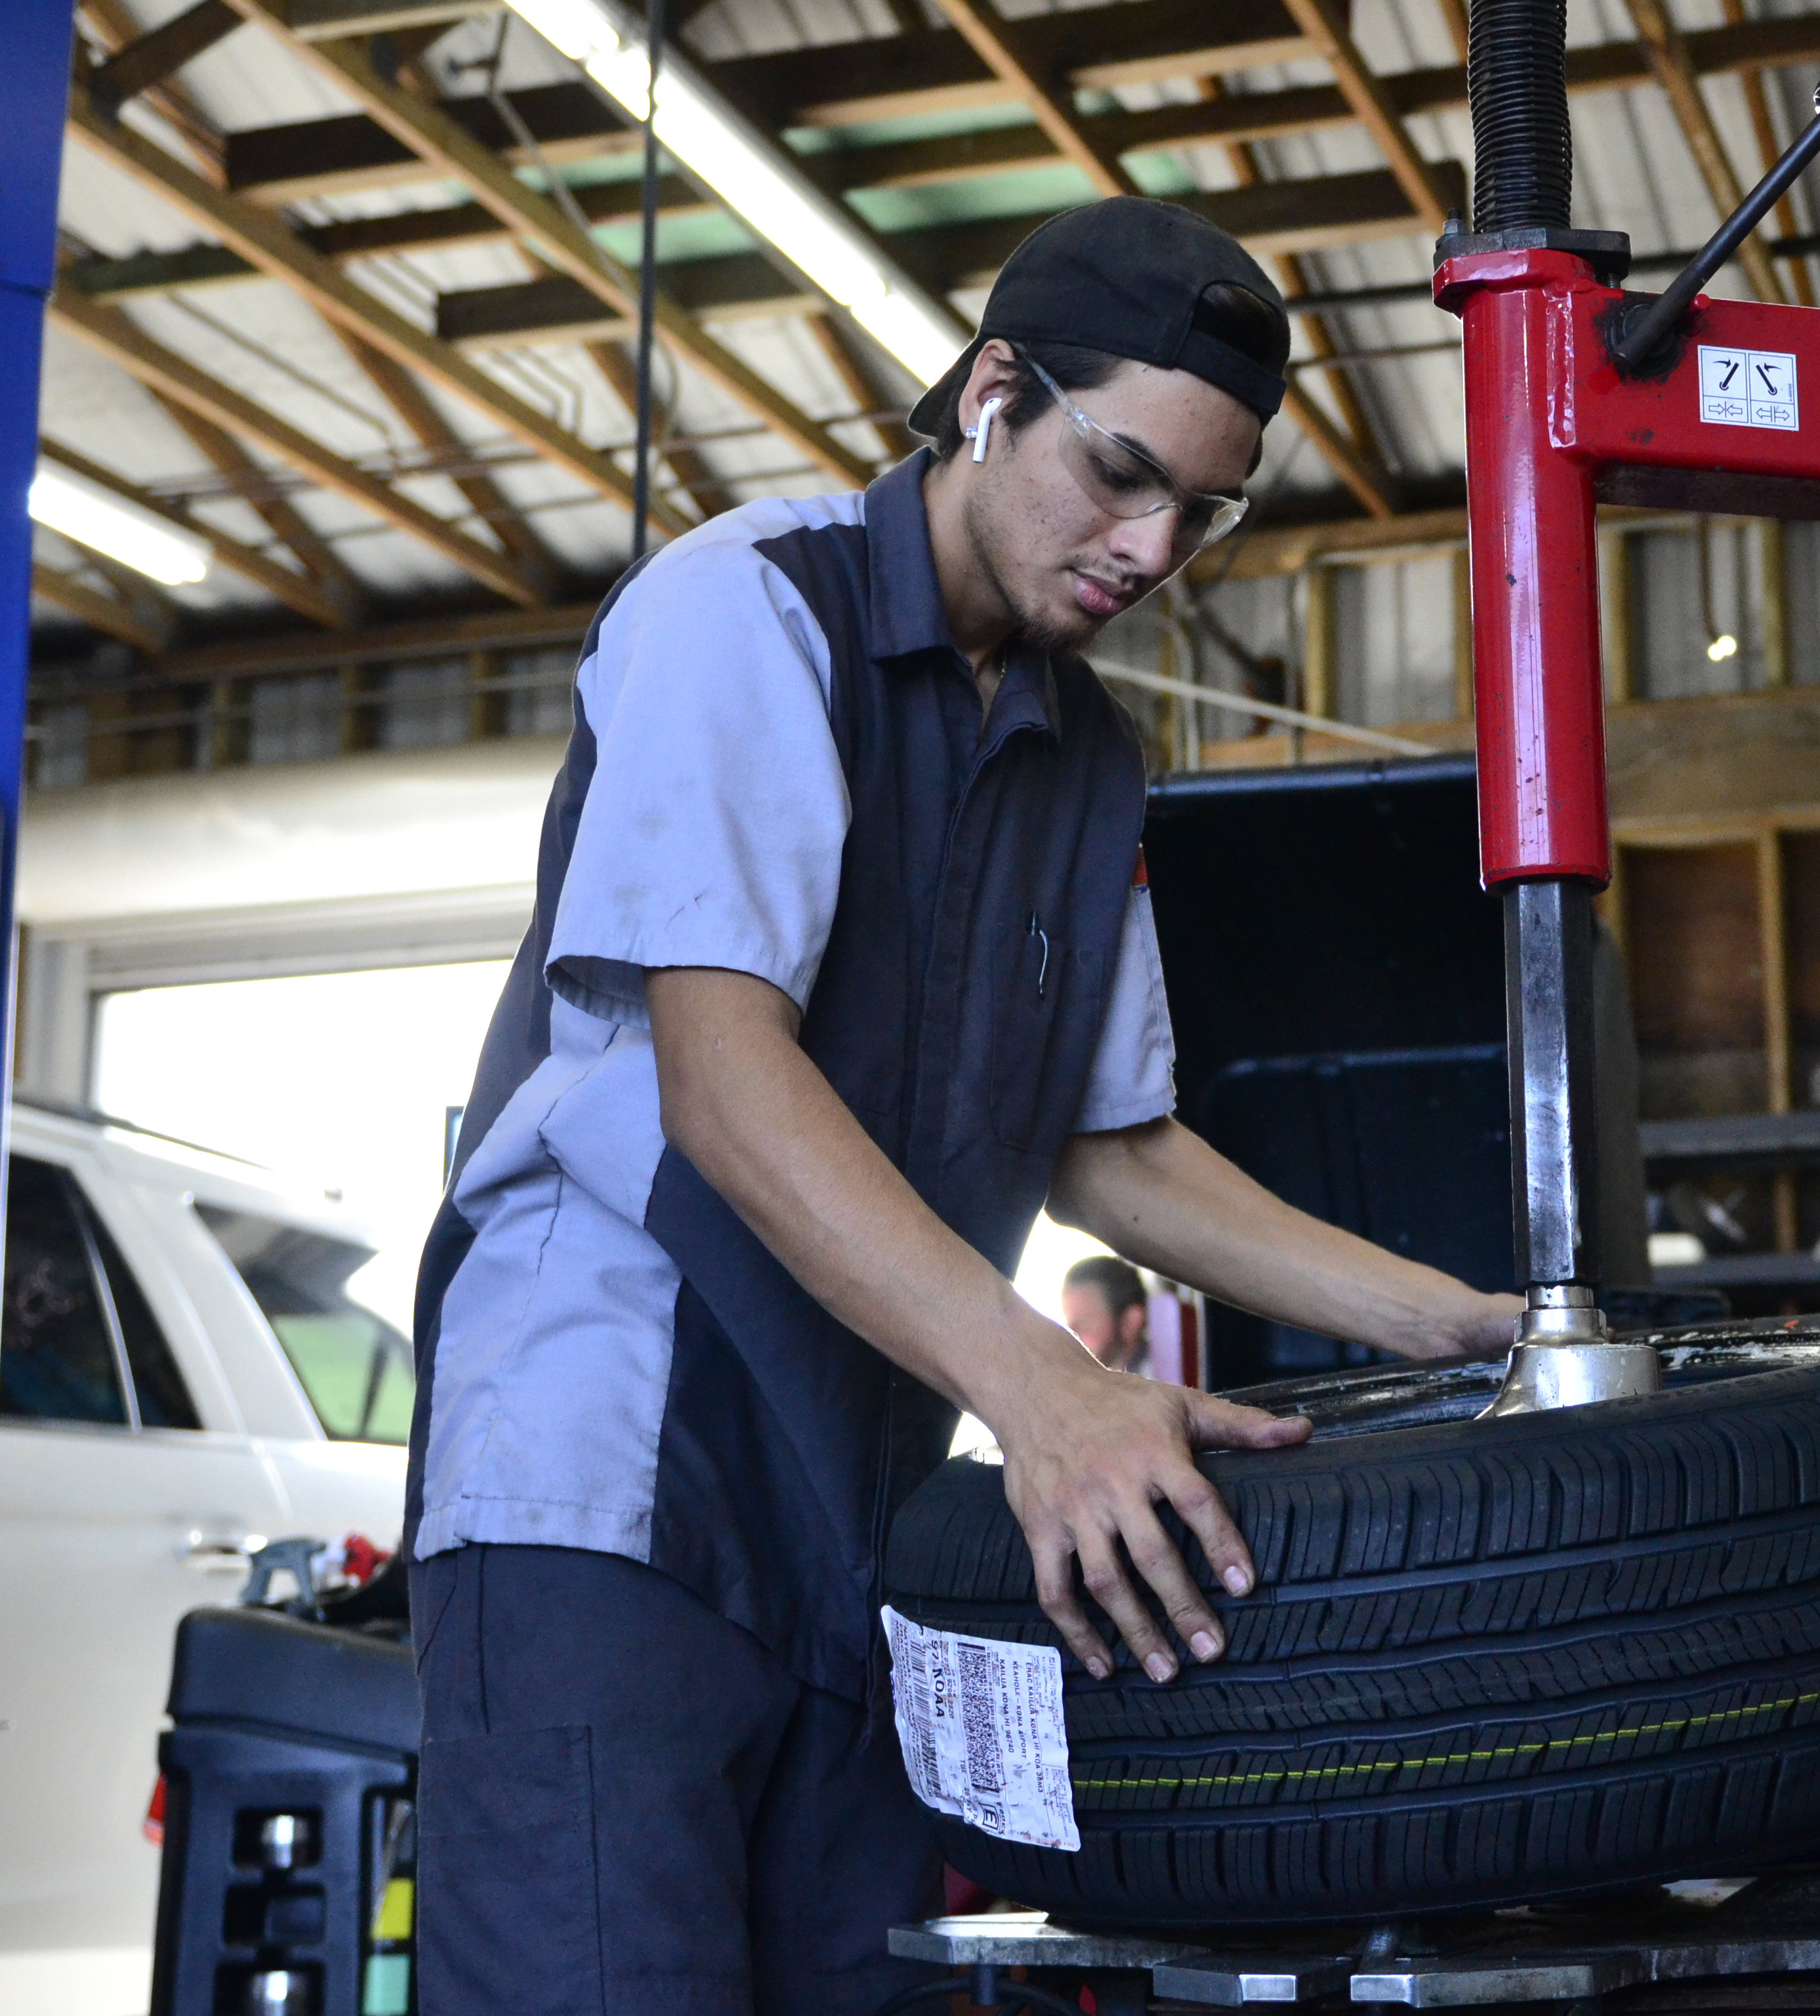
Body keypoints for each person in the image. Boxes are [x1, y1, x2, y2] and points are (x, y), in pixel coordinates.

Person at [403, 198, 1521, 2015]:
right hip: (606, 1481)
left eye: (1207, 512)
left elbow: (1109, 1143)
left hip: (862, 1511)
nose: (1154, 546)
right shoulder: (751, 607)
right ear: (994, 390)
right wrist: (1052, 1395)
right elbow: (725, 1078)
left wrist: (1465, 1325)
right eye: (1121, 472)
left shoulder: (1088, 755)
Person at [1063, 1253, 1155, 1374]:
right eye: (1069, 1327)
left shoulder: (1159, 1384)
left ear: (1131, 1322)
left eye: (1085, 1325)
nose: (1070, 1339)